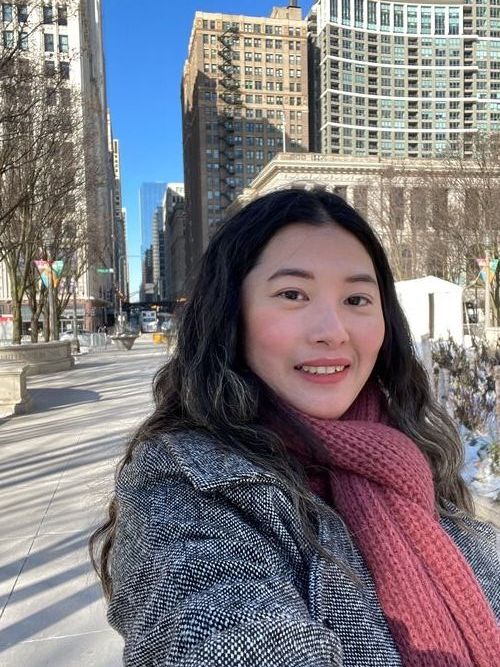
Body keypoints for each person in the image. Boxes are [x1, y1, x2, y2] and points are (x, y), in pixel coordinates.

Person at [90, 187, 499, 666]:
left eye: (356, 298)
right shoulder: (183, 486)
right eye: (292, 294)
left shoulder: (411, 453)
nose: (333, 331)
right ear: (231, 315)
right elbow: (216, 627)